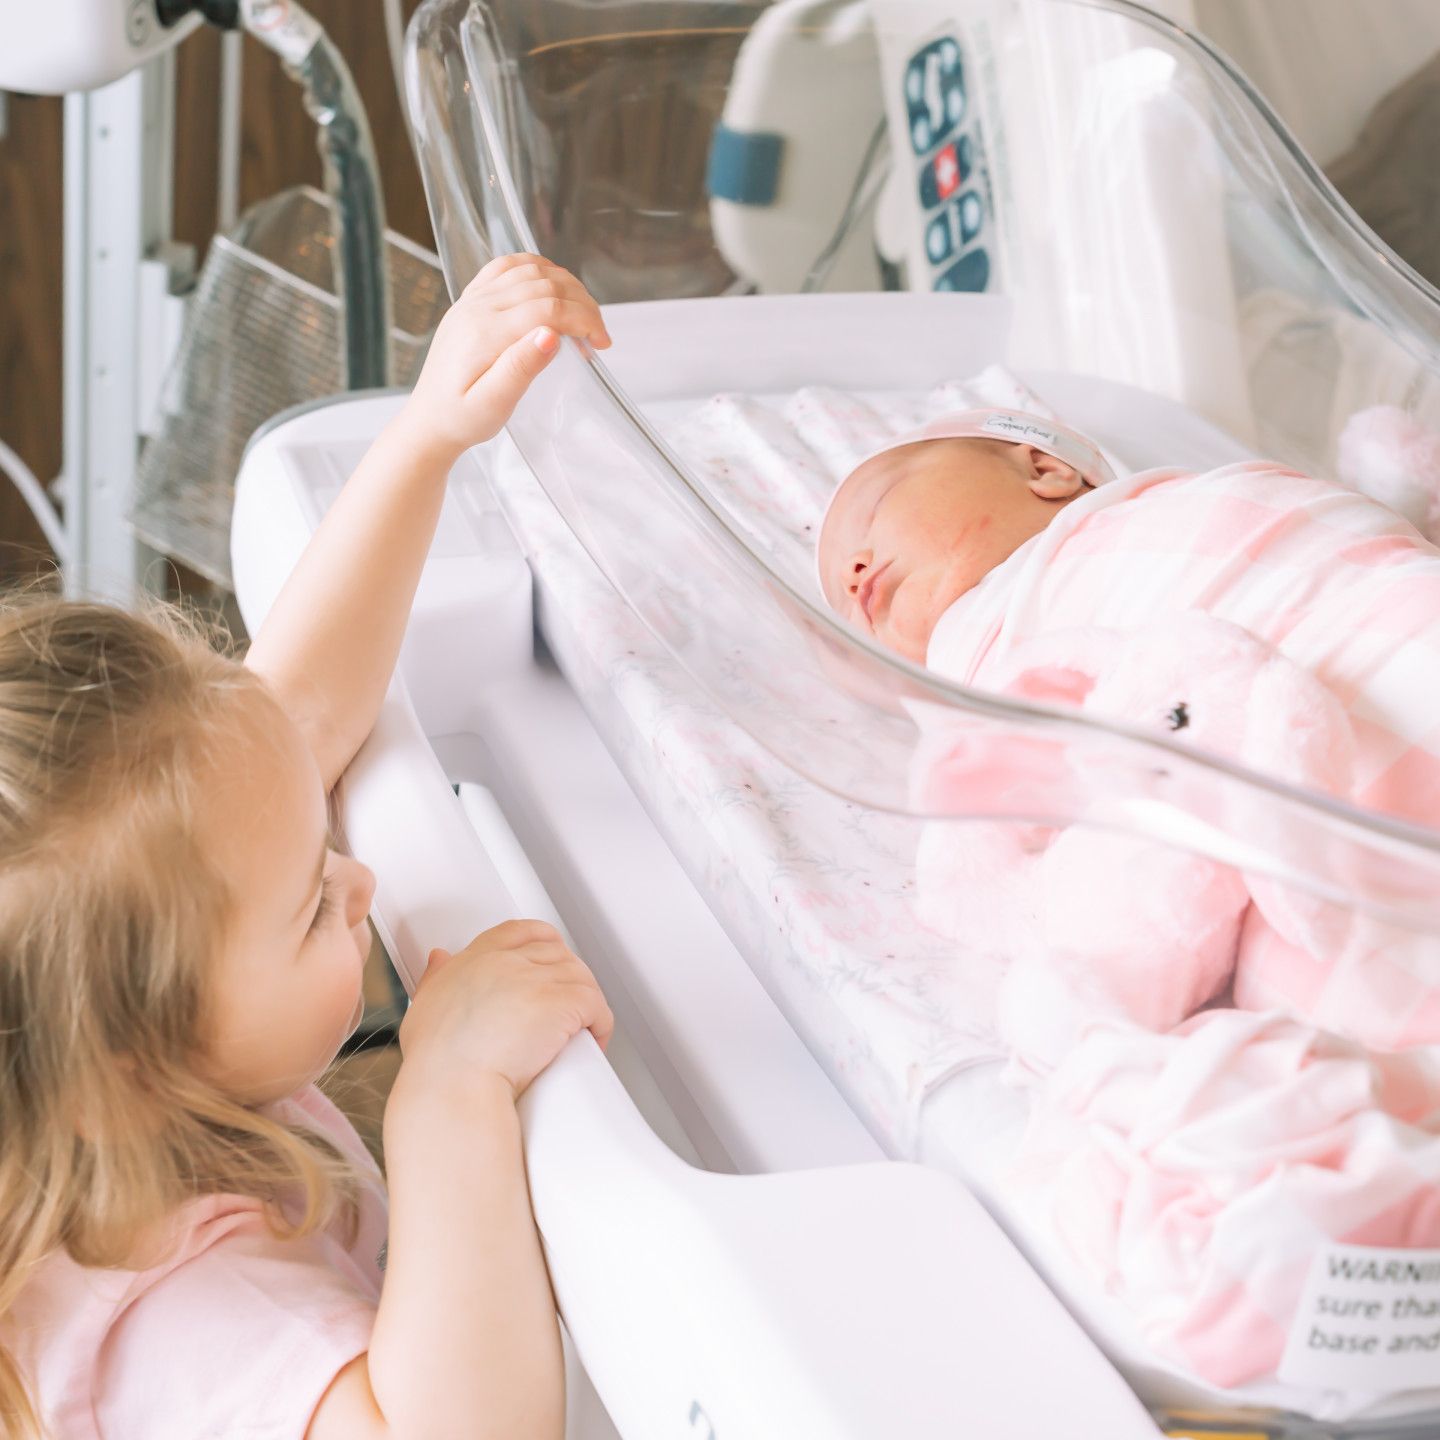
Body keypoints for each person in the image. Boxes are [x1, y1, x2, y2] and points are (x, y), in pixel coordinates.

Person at [0, 254, 615, 1440]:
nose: (358, 879)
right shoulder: (192, 1315)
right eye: (305, 909)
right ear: (135, 1065)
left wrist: (428, 436)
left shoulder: (110, 1090)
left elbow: (304, 715)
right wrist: (444, 1099)